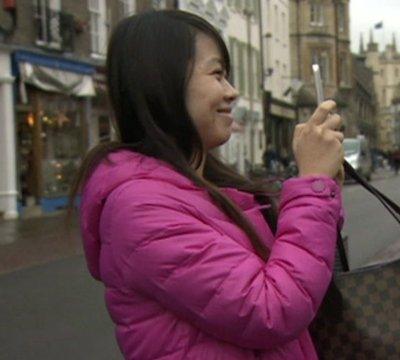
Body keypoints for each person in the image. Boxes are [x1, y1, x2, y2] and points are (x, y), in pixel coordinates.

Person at [69, 11, 345, 359]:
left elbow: (293, 268)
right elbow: (271, 310)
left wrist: (322, 193)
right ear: (164, 82)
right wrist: (311, 187)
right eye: (217, 74)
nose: (232, 92)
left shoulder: (205, 186)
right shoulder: (140, 208)